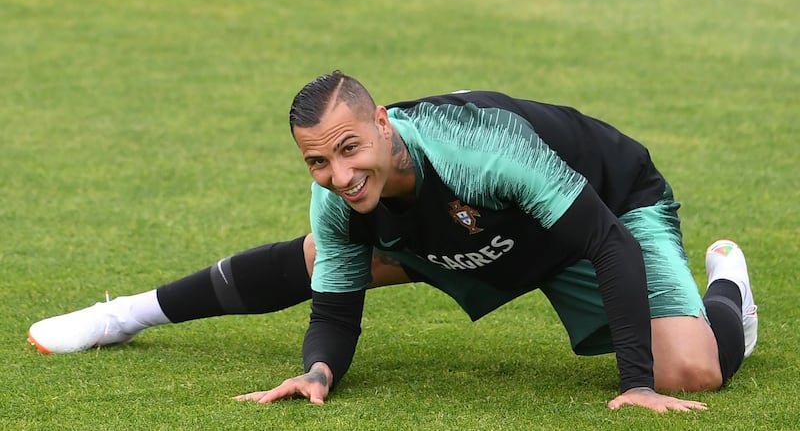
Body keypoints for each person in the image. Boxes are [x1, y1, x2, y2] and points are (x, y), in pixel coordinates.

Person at [28, 71, 758, 413]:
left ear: (382, 120)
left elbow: (604, 240)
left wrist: (633, 382)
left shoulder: (483, 150)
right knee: (323, 259)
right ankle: (122, 316)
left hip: (603, 210)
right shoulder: (341, 194)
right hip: (472, 233)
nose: (340, 175)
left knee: (689, 372)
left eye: (350, 148)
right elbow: (336, 311)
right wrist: (318, 373)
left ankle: (728, 292)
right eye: (318, 161)